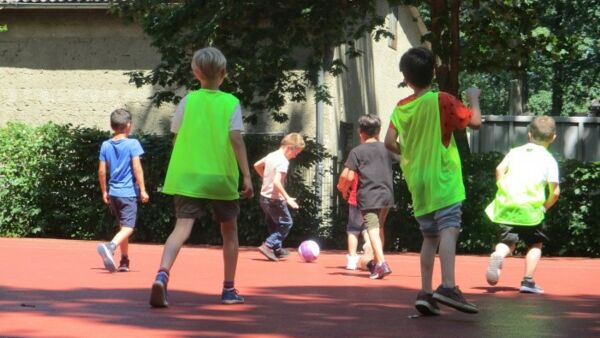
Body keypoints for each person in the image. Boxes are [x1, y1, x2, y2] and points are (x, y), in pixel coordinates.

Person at [149, 47, 253, 307]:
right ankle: (229, 290)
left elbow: (176, 136)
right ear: (223, 73)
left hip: (189, 175)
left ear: (195, 73)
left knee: (181, 228)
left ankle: (162, 274)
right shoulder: (231, 102)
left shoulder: (188, 101)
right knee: (229, 231)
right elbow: (236, 139)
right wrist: (247, 176)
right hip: (220, 175)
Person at [384, 47, 481, 315]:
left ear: (406, 77)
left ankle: (425, 292)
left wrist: (412, 154)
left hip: (419, 182)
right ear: (433, 73)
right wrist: (473, 98)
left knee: (429, 236)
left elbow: (389, 142)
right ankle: (448, 285)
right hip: (443, 178)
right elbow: (474, 122)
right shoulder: (442, 100)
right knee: (449, 228)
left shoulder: (401, 107)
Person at [485, 116, 560, 294]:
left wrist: (502, 186)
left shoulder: (514, 152)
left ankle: (499, 255)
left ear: (529, 135)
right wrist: (544, 207)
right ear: (553, 138)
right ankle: (527, 281)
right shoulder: (549, 160)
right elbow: (555, 192)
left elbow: (499, 169)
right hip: (532, 210)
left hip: (508, 206)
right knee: (535, 244)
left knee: (507, 242)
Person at [338, 114, 396, 279]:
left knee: (372, 229)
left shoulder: (357, 151)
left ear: (360, 132)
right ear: (378, 131)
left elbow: (348, 176)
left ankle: (381, 264)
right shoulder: (387, 148)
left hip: (368, 195)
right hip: (386, 194)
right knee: (379, 228)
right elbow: (403, 160)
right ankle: (376, 261)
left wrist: (343, 189)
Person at [97, 108, 149, 273]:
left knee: (123, 227)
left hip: (113, 193)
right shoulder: (133, 144)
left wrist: (104, 190)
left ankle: (124, 260)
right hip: (127, 193)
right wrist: (143, 190)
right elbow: (137, 168)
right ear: (128, 126)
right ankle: (111, 246)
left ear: (112, 126)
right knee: (129, 228)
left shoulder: (106, 145)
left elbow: (101, 171)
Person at [254, 133, 305, 261]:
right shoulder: (283, 161)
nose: (294, 156)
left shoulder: (272, 155)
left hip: (264, 198)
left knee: (273, 224)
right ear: (289, 147)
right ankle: (268, 245)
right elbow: (277, 182)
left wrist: (265, 178)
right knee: (286, 223)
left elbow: (256, 165)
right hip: (274, 199)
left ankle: (276, 249)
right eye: (296, 153)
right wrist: (287, 198)